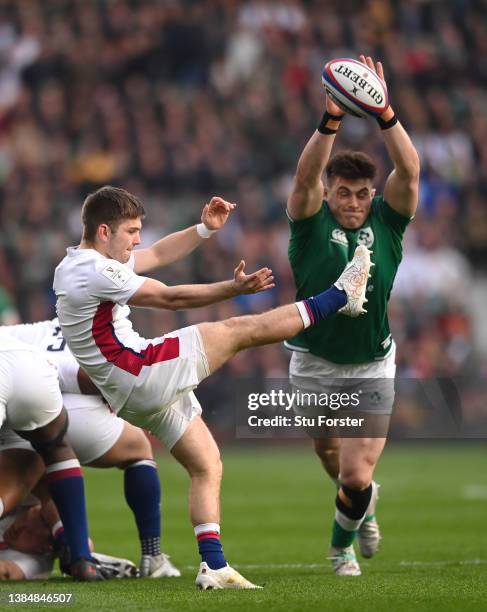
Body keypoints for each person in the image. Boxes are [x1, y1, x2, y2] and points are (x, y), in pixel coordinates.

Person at [53, 192, 371, 589]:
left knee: (207, 464)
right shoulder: (92, 270)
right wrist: (232, 289)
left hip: (130, 391)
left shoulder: (83, 264)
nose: (137, 240)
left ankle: (214, 567)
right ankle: (343, 294)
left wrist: (204, 229)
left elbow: (157, 253)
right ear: (104, 231)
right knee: (241, 330)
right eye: (131, 232)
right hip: (141, 370)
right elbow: (169, 297)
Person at [285, 55, 420, 576]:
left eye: (363, 194)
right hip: (315, 363)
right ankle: (358, 507)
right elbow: (305, 176)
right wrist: (331, 119)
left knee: (356, 473)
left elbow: (408, 170)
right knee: (330, 457)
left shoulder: (387, 224)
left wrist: (385, 112)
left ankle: (341, 545)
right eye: (344, 192)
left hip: (372, 365)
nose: (354, 202)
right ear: (330, 192)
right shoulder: (309, 225)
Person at [1, 317, 180, 579]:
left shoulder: (36, 329)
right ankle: (149, 555)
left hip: (38, 396)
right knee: (136, 448)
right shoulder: (106, 331)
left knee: (40, 458)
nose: (24, 529)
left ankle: (82, 552)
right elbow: (96, 377)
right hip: (53, 399)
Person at [0, 332, 113, 581]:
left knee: (50, 452)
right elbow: (49, 502)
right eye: (43, 522)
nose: (20, 529)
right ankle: (82, 556)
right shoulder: (32, 500)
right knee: (56, 449)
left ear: (44, 548)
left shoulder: (30, 559)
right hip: (33, 370)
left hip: (27, 359)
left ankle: (81, 552)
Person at [0, 482, 137, 581]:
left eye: (29, 534)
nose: (20, 527)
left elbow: (7, 572)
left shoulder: (35, 562)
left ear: (44, 548)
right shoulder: (25, 495)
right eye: (35, 515)